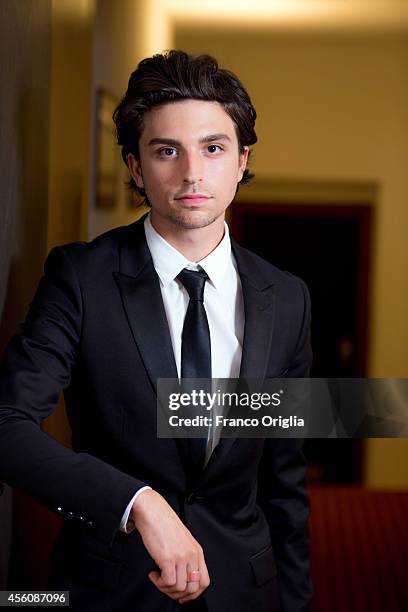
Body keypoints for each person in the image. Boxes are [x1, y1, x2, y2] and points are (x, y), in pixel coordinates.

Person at [0, 50, 313, 611]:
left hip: (246, 592)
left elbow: (283, 481)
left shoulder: (287, 297)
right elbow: (5, 426)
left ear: (241, 159)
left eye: (213, 148)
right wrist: (136, 501)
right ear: (136, 168)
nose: (193, 173)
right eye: (167, 150)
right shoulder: (80, 277)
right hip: (109, 590)